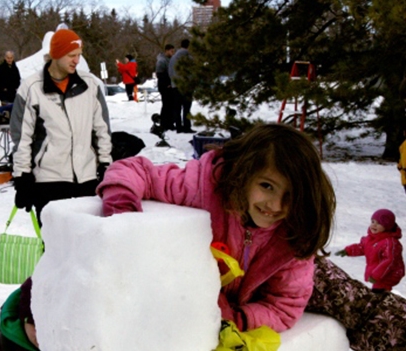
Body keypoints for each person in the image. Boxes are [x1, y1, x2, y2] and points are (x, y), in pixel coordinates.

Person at [99, 123, 335, 332]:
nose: (275, 205)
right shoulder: (203, 188)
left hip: (314, 276)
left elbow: (284, 306)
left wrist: (239, 319)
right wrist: (122, 210)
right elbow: (138, 171)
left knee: (353, 305)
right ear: (244, 173)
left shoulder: (295, 233)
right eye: (267, 186)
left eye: (290, 195)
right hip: (221, 288)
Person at [10, 28, 112, 222]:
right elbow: (21, 137)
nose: (76, 61)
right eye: (71, 55)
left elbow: (102, 130)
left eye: (79, 56)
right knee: (54, 248)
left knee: (87, 244)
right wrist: (22, 177)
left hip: (87, 179)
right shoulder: (31, 88)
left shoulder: (90, 85)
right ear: (56, 55)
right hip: (49, 181)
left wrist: (106, 164)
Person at [335, 209, 405, 292]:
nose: (374, 225)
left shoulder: (390, 243)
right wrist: (348, 251)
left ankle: (382, 297)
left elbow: (389, 261)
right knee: (376, 287)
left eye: (379, 223)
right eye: (373, 221)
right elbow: (362, 247)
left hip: (390, 272)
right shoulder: (371, 239)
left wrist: (376, 275)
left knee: (379, 289)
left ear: (387, 226)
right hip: (378, 272)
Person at [168, 39, 196, 133]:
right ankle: (186, 126)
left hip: (175, 86)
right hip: (186, 86)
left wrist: (173, 82)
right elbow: (192, 72)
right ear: (189, 46)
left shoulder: (173, 58)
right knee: (186, 108)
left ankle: (179, 127)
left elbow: (170, 72)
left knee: (177, 108)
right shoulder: (188, 58)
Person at [155, 44, 176, 132]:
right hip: (165, 85)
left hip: (170, 84)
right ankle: (165, 123)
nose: (172, 53)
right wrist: (166, 83)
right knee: (166, 105)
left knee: (170, 105)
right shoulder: (162, 61)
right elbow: (160, 74)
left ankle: (169, 122)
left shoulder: (170, 59)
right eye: (171, 51)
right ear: (166, 51)